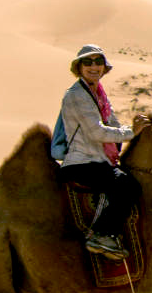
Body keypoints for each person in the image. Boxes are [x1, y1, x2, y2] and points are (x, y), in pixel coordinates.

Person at [54, 43, 141, 259]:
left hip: (98, 161)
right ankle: (101, 234)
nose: (93, 66)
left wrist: (140, 128)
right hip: (82, 163)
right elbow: (97, 133)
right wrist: (132, 132)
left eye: (98, 62)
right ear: (79, 67)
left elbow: (113, 124)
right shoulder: (76, 95)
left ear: (104, 67)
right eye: (88, 62)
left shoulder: (99, 95)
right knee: (126, 185)